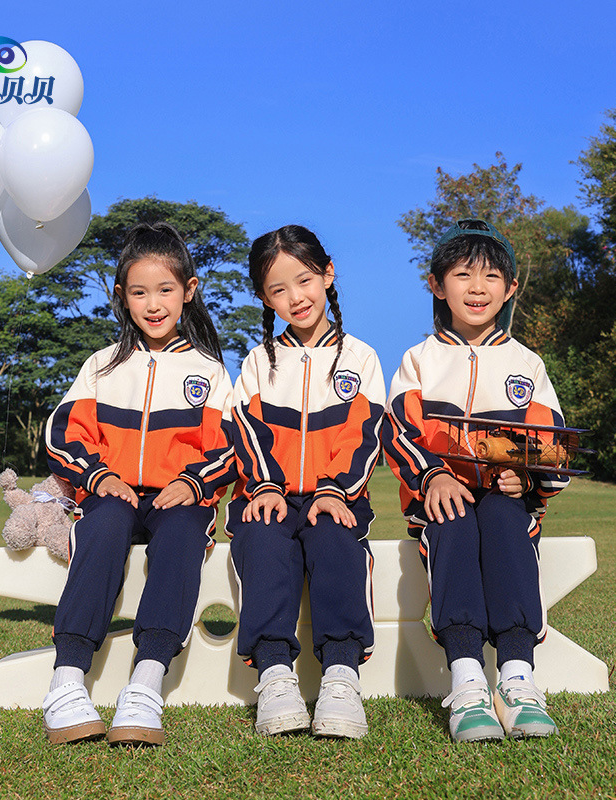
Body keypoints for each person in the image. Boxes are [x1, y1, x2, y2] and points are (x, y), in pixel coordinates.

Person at [43, 221, 235, 746]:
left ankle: (146, 682)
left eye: (166, 290)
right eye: (139, 291)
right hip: (112, 492)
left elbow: (229, 447)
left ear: (189, 291)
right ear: (122, 296)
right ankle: (66, 681)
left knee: (181, 537)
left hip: (178, 498)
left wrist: (195, 484)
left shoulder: (209, 371)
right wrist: (97, 475)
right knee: (102, 529)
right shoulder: (102, 367)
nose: (153, 304)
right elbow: (62, 433)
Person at [382, 218, 569, 742]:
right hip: (440, 498)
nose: (477, 287)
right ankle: (466, 683)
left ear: (510, 289)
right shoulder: (419, 360)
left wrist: (527, 481)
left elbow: (553, 444)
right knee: (455, 520)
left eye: (491, 276)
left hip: (507, 500)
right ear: (437, 285)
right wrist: (433, 476)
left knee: (506, 522)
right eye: (463, 274)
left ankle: (517, 680)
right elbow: (397, 431)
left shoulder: (526, 364)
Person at [227, 224, 385, 739]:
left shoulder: (359, 358)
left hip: (335, 496)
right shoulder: (257, 362)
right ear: (264, 298)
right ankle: (275, 676)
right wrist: (267, 485)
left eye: (305, 280)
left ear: (328, 274)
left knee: (336, 540)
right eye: (278, 289)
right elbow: (244, 431)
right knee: (263, 537)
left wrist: (334, 488)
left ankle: (341, 675)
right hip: (268, 494)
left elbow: (366, 434)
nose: (295, 298)